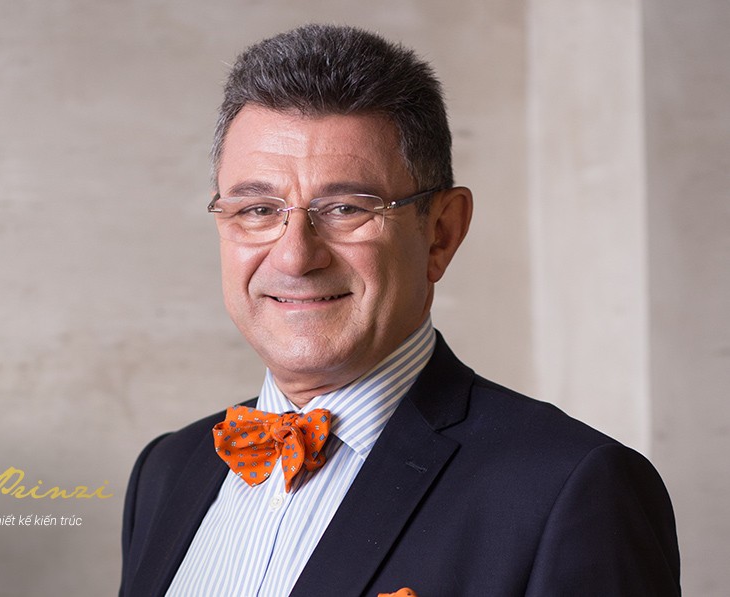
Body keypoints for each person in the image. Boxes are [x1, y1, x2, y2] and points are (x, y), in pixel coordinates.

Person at [119, 24, 679, 597]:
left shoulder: (570, 488)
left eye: (345, 208)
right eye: (258, 209)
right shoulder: (166, 473)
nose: (295, 257)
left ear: (441, 233)